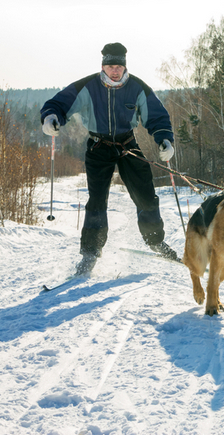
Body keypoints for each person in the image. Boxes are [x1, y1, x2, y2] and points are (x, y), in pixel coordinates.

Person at [40, 42, 179, 274]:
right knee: (97, 201)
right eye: (110, 66)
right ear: (102, 66)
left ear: (125, 67)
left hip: (128, 145)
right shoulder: (88, 87)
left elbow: (156, 116)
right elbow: (58, 104)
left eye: (119, 66)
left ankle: (156, 242)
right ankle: (90, 254)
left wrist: (164, 139)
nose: (115, 71)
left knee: (145, 193)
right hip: (98, 146)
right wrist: (51, 117)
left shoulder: (137, 88)